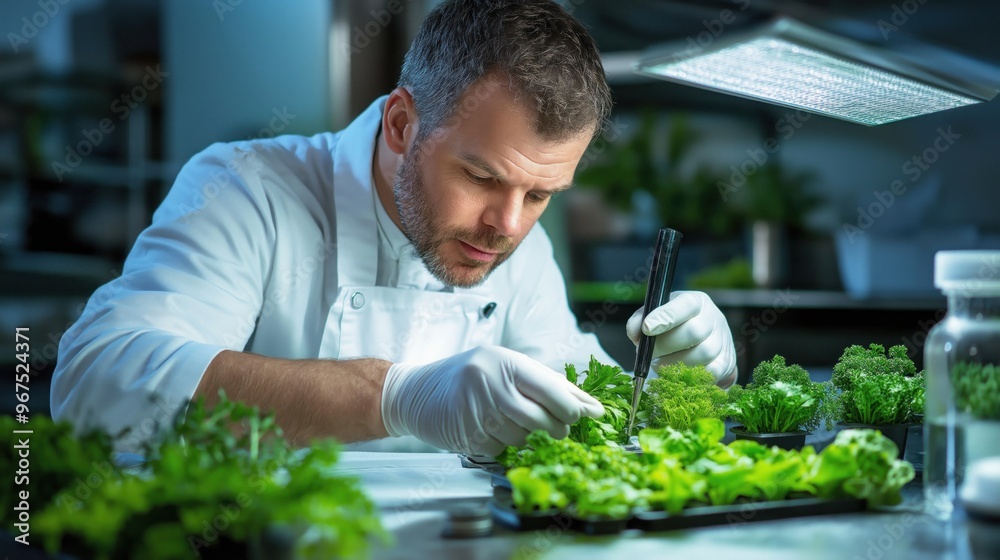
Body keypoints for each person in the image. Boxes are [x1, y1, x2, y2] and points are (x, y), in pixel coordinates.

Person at [51, 0, 737, 456]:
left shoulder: (518, 246)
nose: (506, 225)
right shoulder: (247, 189)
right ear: (403, 124)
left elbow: (576, 402)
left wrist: (675, 379)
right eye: (482, 177)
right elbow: (92, 383)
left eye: (541, 194)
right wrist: (395, 396)